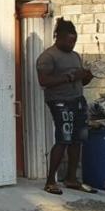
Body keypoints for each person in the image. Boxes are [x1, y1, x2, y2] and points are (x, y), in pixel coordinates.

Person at [35, 18, 95, 195]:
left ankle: (71, 179)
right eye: (69, 40)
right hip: (60, 102)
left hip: (77, 100)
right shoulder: (48, 56)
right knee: (63, 139)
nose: (72, 44)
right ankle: (50, 181)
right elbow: (43, 81)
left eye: (74, 40)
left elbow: (81, 81)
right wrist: (68, 77)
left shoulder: (76, 56)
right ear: (58, 37)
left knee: (77, 140)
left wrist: (89, 75)